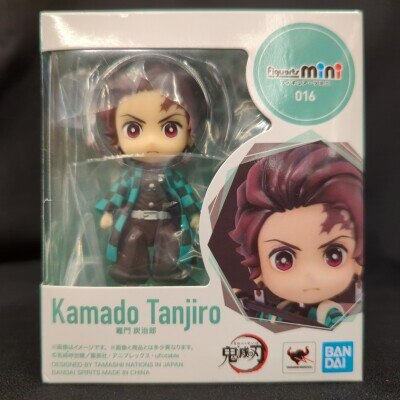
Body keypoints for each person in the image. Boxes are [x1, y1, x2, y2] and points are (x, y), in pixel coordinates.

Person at [95, 57, 207, 284]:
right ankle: (130, 271)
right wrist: (107, 212)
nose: (152, 141)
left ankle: (169, 271)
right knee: (131, 242)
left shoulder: (174, 177)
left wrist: (195, 214)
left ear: (190, 133)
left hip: (166, 222)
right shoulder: (131, 177)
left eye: (170, 129)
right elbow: (118, 193)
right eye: (133, 129)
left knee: (171, 241)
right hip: (135, 222)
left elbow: (186, 195)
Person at [230, 142, 363, 328]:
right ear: (258, 268)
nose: (309, 275)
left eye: (334, 255)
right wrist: (241, 300)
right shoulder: (283, 309)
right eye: (283, 260)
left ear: (357, 261)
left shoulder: (330, 316)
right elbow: (263, 315)